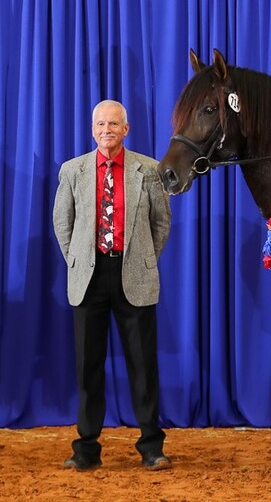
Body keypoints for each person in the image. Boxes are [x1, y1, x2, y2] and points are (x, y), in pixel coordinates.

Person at [53, 100, 172, 471]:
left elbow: (161, 224)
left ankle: (151, 446)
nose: (107, 130)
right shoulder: (73, 171)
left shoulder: (148, 170)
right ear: (92, 130)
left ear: (126, 129)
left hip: (133, 274)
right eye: (101, 124)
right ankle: (86, 448)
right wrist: (76, 261)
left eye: (114, 124)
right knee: (88, 367)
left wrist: (143, 259)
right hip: (89, 278)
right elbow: (63, 222)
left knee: (143, 365)